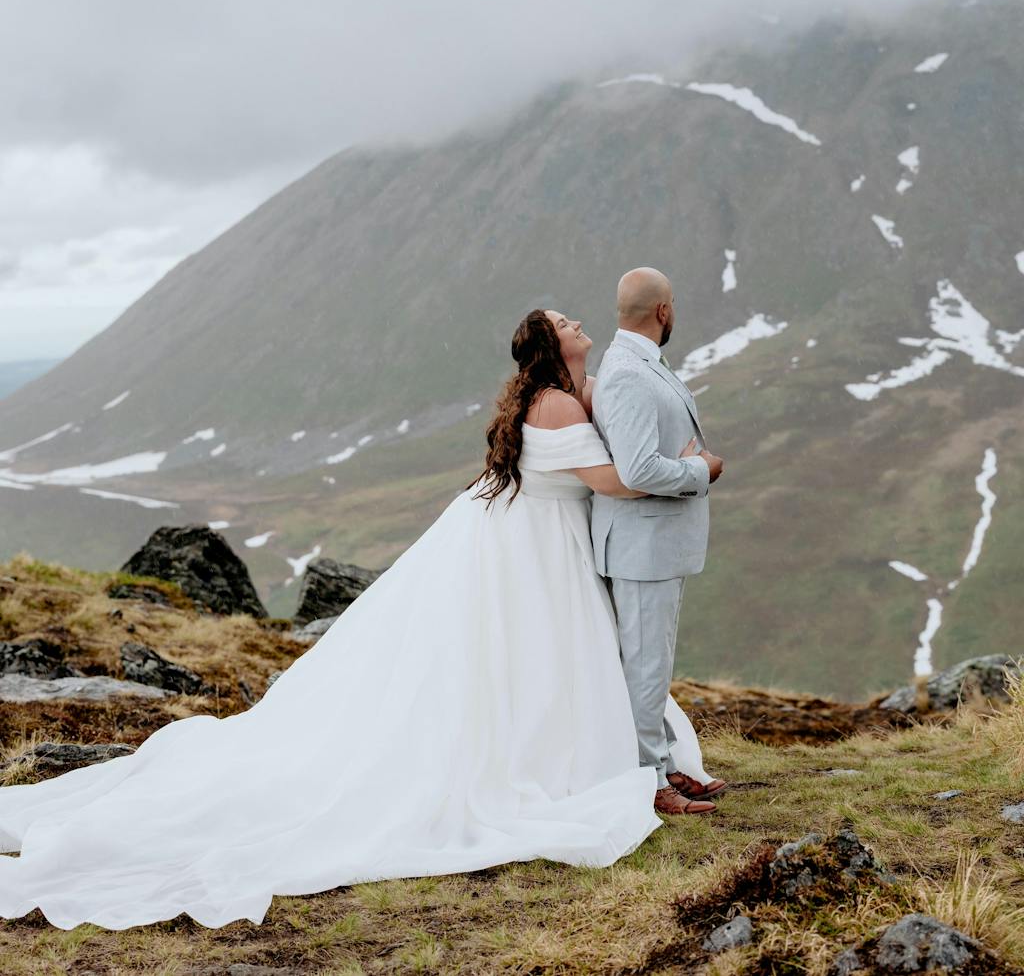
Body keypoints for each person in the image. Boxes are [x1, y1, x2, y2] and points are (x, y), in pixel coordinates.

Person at [0, 306, 714, 932]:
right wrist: (695, 468)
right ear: (551, 346)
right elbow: (617, 479)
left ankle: (607, 754)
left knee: (531, 661)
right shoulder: (556, 406)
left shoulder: (573, 392)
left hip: (537, 540)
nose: (577, 322)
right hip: (536, 547)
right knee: (518, 658)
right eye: (564, 322)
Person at [592, 268, 728, 813]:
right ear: (663, 311)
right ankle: (648, 781)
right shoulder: (627, 373)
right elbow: (639, 469)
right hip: (641, 546)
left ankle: (663, 762)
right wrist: (701, 471)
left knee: (652, 662)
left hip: (653, 544)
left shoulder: (640, 362)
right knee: (645, 666)